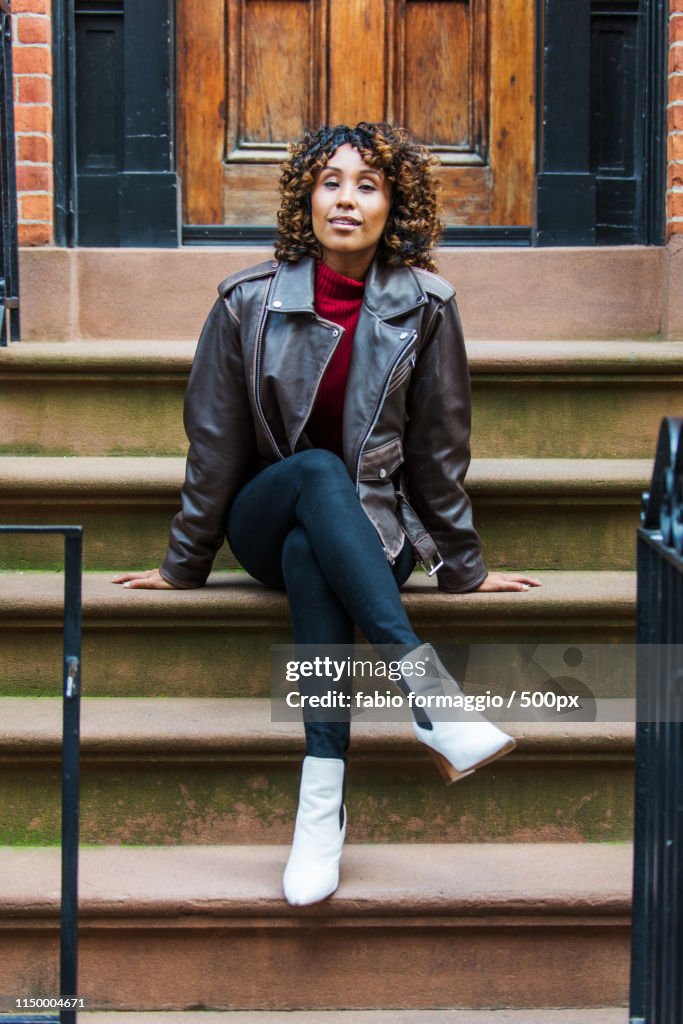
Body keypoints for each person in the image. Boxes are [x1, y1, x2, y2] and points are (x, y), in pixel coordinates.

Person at [113, 122, 540, 907]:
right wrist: (184, 564)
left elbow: (439, 450)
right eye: (330, 182)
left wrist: (461, 566)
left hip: (375, 528)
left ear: (393, 206)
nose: (346, 199)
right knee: (311, 476)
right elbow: (213, 444)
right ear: (305, 198)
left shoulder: (428, 306)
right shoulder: (247, 301)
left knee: (321, 548)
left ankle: (320, 805)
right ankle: (432, 699)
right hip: (263, 520)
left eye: (367, 185)